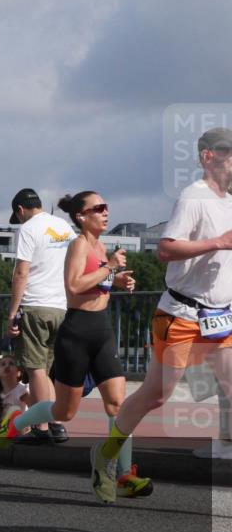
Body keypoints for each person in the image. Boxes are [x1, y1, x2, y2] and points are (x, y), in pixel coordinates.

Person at [92, 127, 232, 499]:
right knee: (156, 396)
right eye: (228, 153)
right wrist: (218, 242)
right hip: (182, 315)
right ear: (207, 157)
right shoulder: (193, 198)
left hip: (221, 317)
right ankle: (105, 456)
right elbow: (166, 250)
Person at [0, 192, 153, 501]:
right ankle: (16, 422)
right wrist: (109, 268)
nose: (106, 213)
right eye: (99, 209)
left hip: (102, 331)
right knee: (63, 412)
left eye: (107, 207)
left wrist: (118, 281)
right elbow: (74, 285)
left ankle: (121, 474)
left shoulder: (99, 245)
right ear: (82, 217)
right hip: (77, 332)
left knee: (119, 405)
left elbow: (97, 282)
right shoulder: (78, 244)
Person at [6, 187, 77, 443]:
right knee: (47, 372)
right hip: (64, 306)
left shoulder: (28, 229)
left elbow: (22, 273)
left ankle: (47, 426)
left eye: (19, 216)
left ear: (20, 210)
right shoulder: (65, 228)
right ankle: (55, 423)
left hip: (36, 305)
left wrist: (12, 313)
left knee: (36, 370)